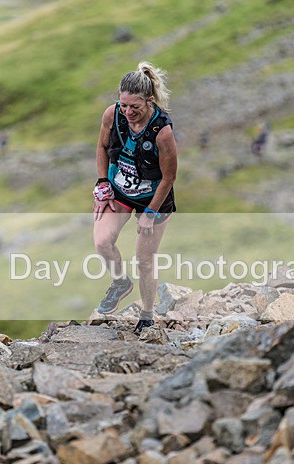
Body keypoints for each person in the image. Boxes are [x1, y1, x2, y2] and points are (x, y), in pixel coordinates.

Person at [93, 61, 177, 335]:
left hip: (154, 198)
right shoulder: (113, 115)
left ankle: (147, 314)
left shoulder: (162, 131)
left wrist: (150, 215)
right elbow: (102, 147)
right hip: (120, 190)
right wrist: (103, 183)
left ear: (149, 100)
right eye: (124, 105)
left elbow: (169, 178)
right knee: (102, 242)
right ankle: (120, 283)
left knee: (144, 258)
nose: (128, 112)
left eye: (135, 107)